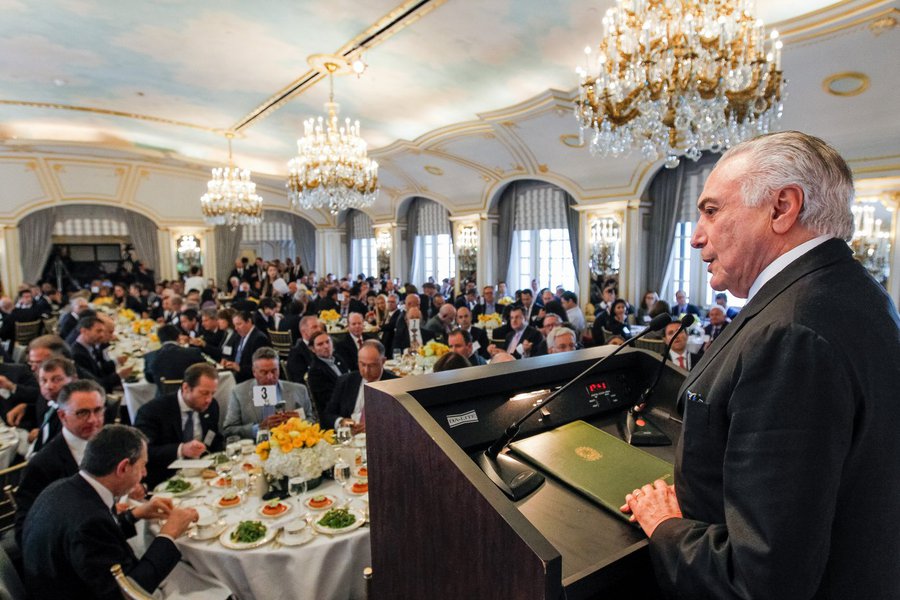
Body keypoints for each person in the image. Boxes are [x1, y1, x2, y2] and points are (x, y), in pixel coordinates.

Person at [622, 131, 900, 599]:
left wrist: (668, 525)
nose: (695, 236)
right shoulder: (855, 291)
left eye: (711, 211)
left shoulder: (791, 333)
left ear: (781, 208)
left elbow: (761, 578)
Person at [22, 424, 198, 600]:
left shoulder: (61, 487)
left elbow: (98, 543)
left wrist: (135, 514)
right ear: (123, 468)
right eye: (142, 465)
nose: (144, 474)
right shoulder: (89, 522)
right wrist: (169, 534)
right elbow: (128, 592)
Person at [15, 378, 106, 545]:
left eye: (98, 410)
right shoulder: (42, 465)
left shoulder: (108, 443)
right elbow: (24, 531)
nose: (93, 420)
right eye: (83, 413)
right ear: (62, 416)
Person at [134, 363, 224, 488]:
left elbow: (214, 438)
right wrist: (181, 449)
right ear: (186, 388)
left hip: (204, 477)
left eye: (212, 393)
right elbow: (143, 452)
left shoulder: (211, 407)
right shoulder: (152, 411)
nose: (209, 399)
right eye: (204, 393)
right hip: (166, 480)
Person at [223, 347, 315, 440]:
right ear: (254, 372)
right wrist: (258, 428)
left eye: (274, 371)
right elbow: (228, 429)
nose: (270, 377)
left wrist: (299, 422)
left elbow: (313, 421)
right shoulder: (239, 392)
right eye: (264, 372)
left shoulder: (299, 390)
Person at [322, 340, 396, 434]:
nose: (366, 370)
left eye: (372, 365)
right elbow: (327, 415)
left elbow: (404, 423)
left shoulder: (396, 385)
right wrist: (341, 422)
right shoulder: (346, 381)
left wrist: (376, 427)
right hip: (349, 438)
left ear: (383, 361)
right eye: (362, 364)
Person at [143, 324, 207, 394]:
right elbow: (206, 370)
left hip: (163, 399)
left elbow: (149, 379)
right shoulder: (193, 352)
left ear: (159, 339)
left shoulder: (150, 356)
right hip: (190, 395)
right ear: (178, 337)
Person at [306, 331, 350, 420]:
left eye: (328, 342)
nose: (326, 346)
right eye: (320, 344)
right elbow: (328, 400)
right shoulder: (315, 371)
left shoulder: (338, 359)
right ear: (313, 349)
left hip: (348, 401)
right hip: (335, 413)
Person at [221, 309, 271, 383]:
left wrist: (240, 368)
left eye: (239, 324)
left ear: (249, 321)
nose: (236, 328)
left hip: (250, 379)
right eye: (235, 325)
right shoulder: (238, 336)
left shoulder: (259, 338)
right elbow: (233, 354)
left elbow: (261, 367)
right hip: (236, 374)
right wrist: (227, 360)